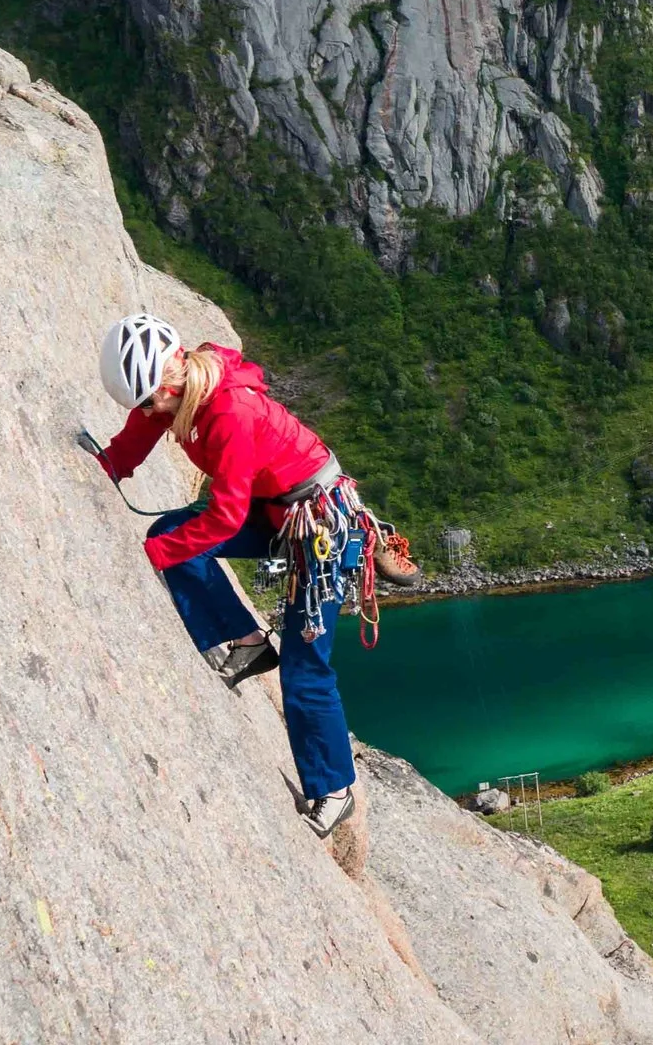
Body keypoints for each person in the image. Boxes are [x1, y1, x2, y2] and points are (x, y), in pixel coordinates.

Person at [90, 313, 419, 837]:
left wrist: (157, 559)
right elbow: (143, 430)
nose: (149, 413)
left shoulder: (228, 413)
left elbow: (223, 516)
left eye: (151, 401)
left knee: (306, 667)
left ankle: (334, 790)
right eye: (144, 404)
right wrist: (111, 465)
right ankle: (245, 641)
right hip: (276, 511)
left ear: (172, 381)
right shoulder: (181, 386)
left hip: (318, 526)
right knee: (172, 533)